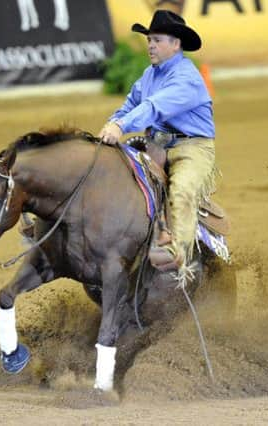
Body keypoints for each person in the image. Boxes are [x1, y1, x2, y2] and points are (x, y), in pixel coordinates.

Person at [98, 9, 216, 273]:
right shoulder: (150, 75)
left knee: (182, 191)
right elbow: (131, 104)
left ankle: (179, 256)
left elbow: (154, 107)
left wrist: (121, 126)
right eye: (149, 39)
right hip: (156, 144)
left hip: (191, 147)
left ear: (176, 44)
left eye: (157, 39)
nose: (150, 44)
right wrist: (112, 123)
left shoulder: (186, 78)